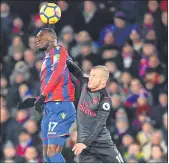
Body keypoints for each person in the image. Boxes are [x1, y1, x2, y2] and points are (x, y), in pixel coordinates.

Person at [17, 28, 76, 163]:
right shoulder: (46, 59)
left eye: (40, 38)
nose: (37, 41)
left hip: (61, 105)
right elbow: (52, 85)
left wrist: (43, 96)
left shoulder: (59, 51)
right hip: (50, 107)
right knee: (47, 154)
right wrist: (35, 100)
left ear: (51, 39)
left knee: (53, 152)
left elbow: (59, 73)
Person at [66, 60, 124, 163]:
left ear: (103, 81)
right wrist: (62, 58)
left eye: (94, 76)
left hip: (102, 143)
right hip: (85, 145)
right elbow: (76, 70)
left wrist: (85, 143)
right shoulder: (86, 82)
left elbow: (99, 125)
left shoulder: (104, 100)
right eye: (90, 75)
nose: (90, 78)